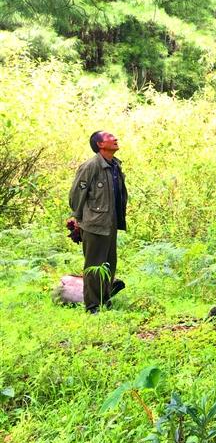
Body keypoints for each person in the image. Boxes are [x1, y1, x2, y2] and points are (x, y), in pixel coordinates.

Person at [68, 131, 127, 313]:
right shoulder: (91, 166)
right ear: (100, 144)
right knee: (94, 266)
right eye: (110, 137)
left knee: (109, 263)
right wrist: (78, 219)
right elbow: (76, 195)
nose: (115, 138)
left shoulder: (115, 165)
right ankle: (92, 306)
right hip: (94, 224)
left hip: (111, 224)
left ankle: (105, 300)